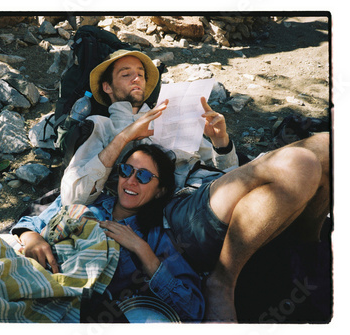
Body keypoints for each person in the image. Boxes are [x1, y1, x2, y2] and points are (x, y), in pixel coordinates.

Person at [59, 49, 330, 322]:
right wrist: (125, 136)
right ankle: (222, 282)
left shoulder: (169, 116)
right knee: (299, 163)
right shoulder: (101, 126)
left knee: (327, 149)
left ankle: (306, 253)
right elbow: (73, 194)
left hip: (210, 190)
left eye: (140, 74)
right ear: (107, 87)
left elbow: (231, 173)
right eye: (125, 74)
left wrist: (221, 143)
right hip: (176, 208)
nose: (136, 79)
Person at [12, 144, 205, 322]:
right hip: (29, 273)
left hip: (70, 306)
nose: (131, 181)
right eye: (126, 170)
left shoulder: (156, 239)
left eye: (144, 176)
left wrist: (142, 250)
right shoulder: (90, 198)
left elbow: (193, 309)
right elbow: (31, 221)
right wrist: (31, 238)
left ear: (160, 191)